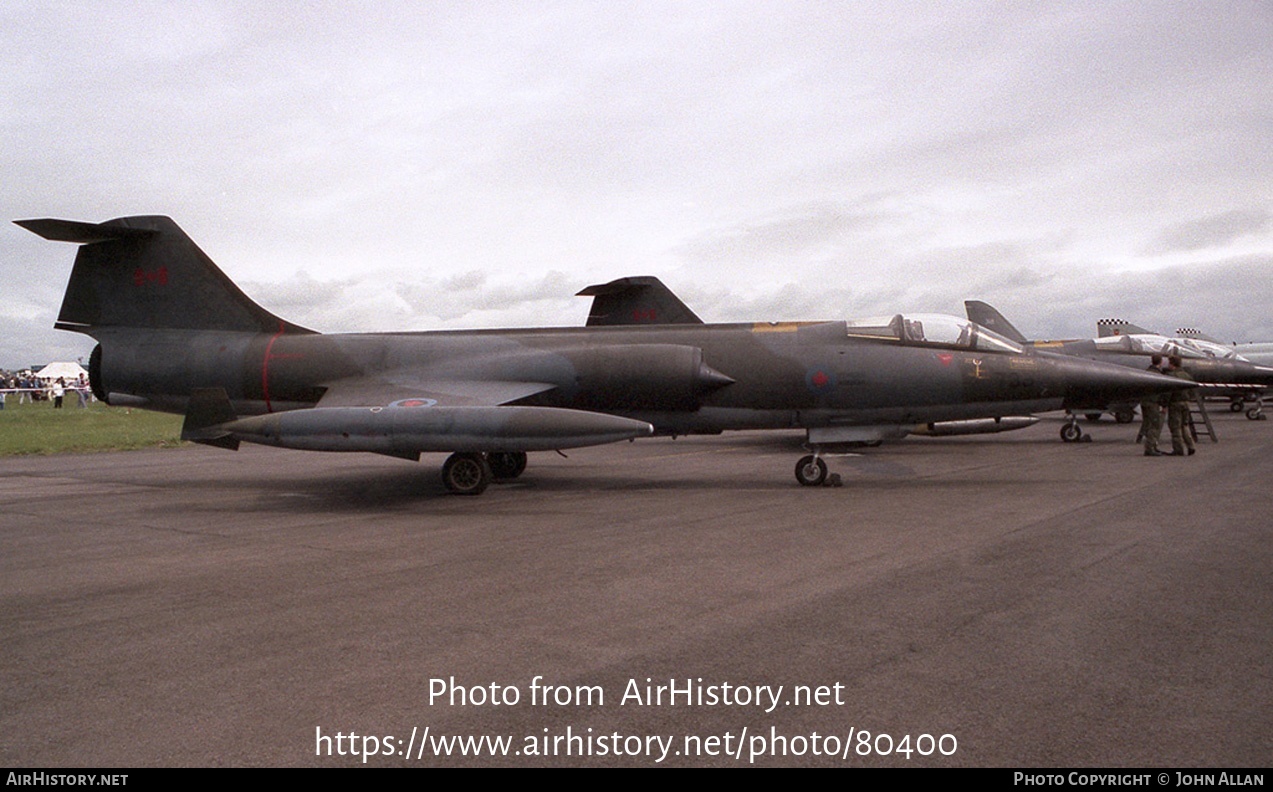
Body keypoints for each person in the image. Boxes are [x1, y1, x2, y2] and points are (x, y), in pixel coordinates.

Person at [1164, 355, 1197, 456]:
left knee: (1175, 427)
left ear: (1172, 364)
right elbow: (1192, 390)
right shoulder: (1187, 375)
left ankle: (1178, 449)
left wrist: (1164, 404)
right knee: (1184, 425)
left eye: (1169, 363)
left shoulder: (1171, 376)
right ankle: (1191, 446)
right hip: (1185, 403)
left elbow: (1168, 393)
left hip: (1175, 403)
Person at [1139, 354, 1166, 456]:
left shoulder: (1145, 373)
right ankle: (1150, 449)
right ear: (1161, 362)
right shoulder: (1158, 375)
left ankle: (1153, 447)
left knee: (1147, 424)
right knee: (1154, 426)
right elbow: (1162, 392)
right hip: (1153, 403)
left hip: (1144, 403)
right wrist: (1164, 405)